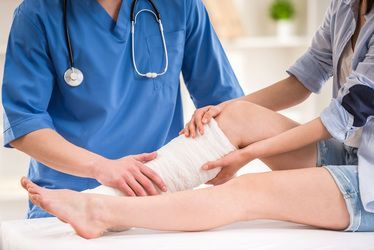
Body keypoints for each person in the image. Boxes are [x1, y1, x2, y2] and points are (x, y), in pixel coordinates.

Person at [22, 0, 374, 239]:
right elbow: (303, 81)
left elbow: (341, 117)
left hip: (367, 169)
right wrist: (228, 113)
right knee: (236, 114)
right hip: (352, 150)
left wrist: (249, 153)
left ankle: (101, 209)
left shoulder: (179, 6)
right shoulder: (344, 5)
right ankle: (106, 197)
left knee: (246, 191)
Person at [1, 0, 243, 218]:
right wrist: (100, 167)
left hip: (159, 197)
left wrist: (232, 157)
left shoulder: (181, 6)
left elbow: (227, 107)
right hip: (68, 201)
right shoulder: (37, 13)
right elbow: (24, 122)